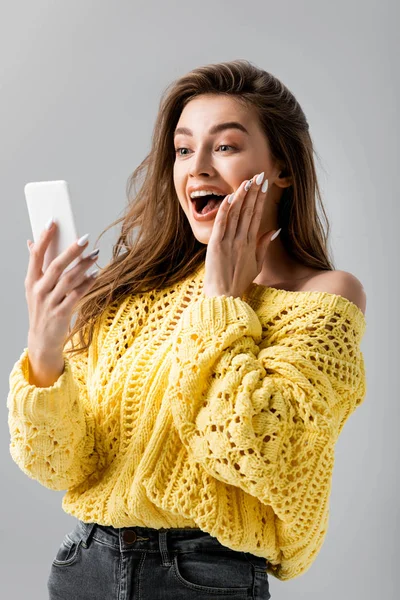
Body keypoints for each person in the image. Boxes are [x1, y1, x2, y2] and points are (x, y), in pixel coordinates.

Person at [7, 59, 367, 599]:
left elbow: (254, 448)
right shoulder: (135, 294)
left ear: (283, 167)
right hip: (84, 568)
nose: (196, 167)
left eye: (224, 146)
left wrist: (224, 298)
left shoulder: (323, 298)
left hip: (202, 578)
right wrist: (45, 350)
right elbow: (58, 465)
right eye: (182, 149)